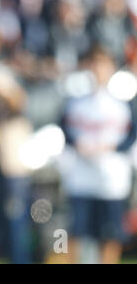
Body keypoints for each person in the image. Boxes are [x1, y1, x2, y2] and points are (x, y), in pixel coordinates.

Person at [58, 46, 137, 264]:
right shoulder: (75, 100)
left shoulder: (124, 101)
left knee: (110, 234)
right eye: (94, 63)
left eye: (103, 64)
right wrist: (78, 143)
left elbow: (132, 135)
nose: (98, 69)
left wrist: (110, 147)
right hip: (81, 176)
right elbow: (64, 128)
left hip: (111, 178)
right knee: (75, 231)